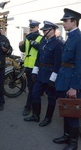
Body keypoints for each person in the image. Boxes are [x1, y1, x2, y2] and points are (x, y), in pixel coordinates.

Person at [24, 21, 63, 127]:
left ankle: (48, 118)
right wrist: (34, 71)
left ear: (52, 30)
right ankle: (36, 116)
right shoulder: (43, 42)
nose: (44, 31)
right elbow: (38, 58)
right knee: (35, 93)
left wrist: (53, 78)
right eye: (43, 30)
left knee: (51, 98)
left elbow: (58, 63)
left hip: (50, 74)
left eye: (46, 30)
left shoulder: (58, 44)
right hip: (41, 73)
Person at [53, 8, 81, 150]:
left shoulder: (78, 38)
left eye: (66, 21)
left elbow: (79, 65)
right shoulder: (71, 36)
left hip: (71, 81)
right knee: (65, 108)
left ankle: (73, 143)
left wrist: (74, 87)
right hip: (64, 78)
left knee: (73, 113)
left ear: (74, 22)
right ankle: (66, 136)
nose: (63, 23)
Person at [19, 20, 43, 116]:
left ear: (37, 27)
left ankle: (28, 107)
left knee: (32, 89)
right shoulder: (27, 37)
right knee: (31, 87)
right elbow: (24, 50)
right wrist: (20, 46)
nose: (31, 28)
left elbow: (42, 50)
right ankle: (33, 104)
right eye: (30, 27)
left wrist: (35, 44)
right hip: (28, 67)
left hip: (35, 68)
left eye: (33, 27)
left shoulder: (41, 38)